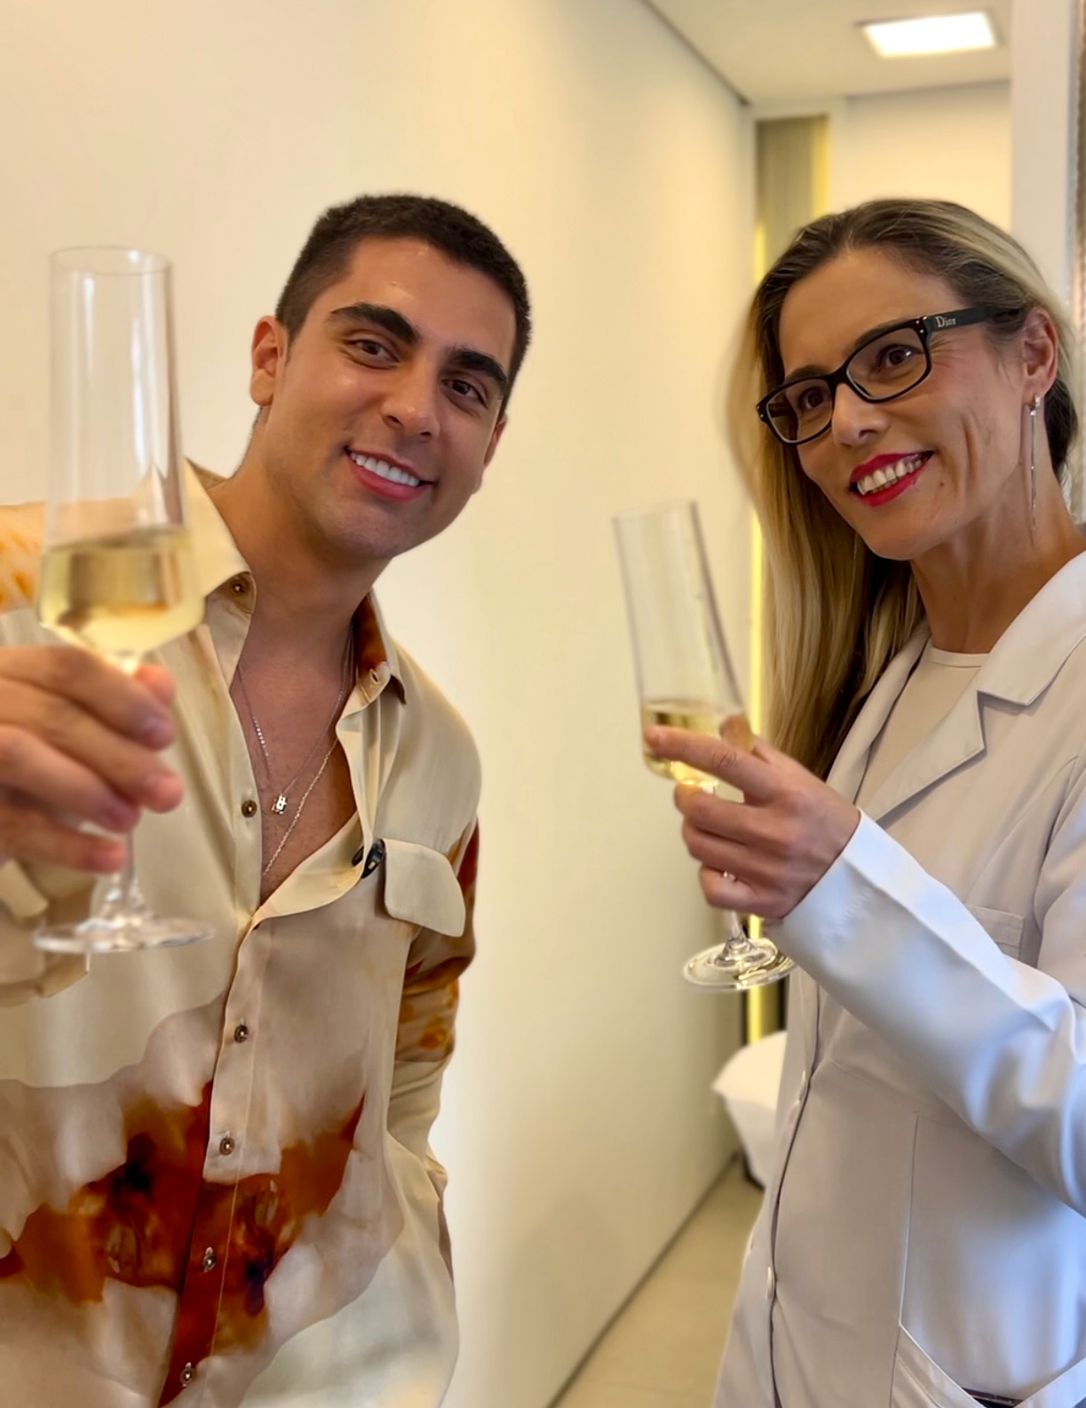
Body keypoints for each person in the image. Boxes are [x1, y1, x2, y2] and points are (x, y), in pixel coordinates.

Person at [0, 193, 529, 1407]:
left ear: (489, 444)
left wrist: (412, 1293)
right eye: (374, 342)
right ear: (269, 356)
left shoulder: (441, 757)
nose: (413, 406)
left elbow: (407, 1081)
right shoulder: (29, 597)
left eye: (468, 384)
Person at [647, 199, 1086, 1408]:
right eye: (808, 397)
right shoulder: (889, 683)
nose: (845, 421)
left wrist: (848, 888)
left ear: (1033, 354)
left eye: (895, 357)